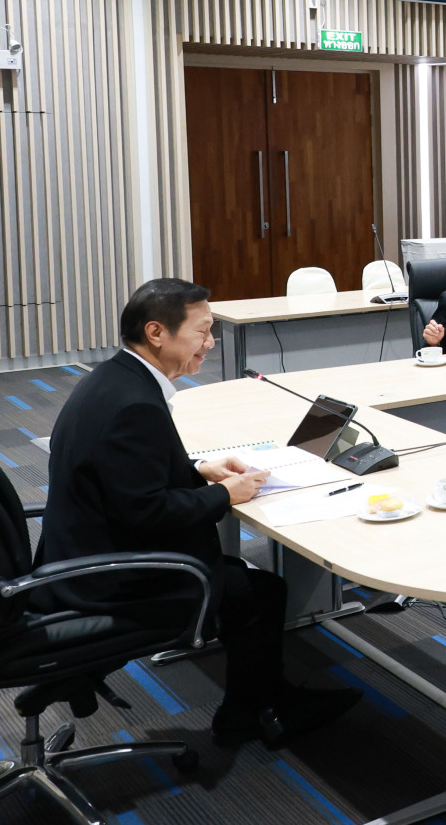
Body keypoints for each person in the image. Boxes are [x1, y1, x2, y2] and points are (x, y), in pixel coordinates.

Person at [39, 279, 361, 747]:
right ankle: (253, 714)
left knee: (248, 583)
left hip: (81, 551)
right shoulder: (135, 405)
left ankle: (255, 704)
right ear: (156, 333)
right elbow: (147, 512)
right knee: (260, 593)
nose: (211, 343)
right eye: (203, 331)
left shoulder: (112, 379)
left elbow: (125, 477)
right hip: (113, 576)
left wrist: (197, 469)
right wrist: (225, 495)